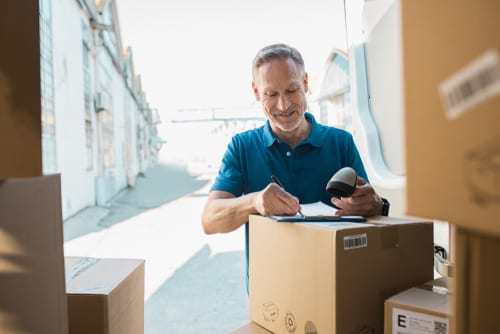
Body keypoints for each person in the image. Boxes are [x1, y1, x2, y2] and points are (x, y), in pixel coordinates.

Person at [201, 43, 389, 288]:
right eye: (271, 94)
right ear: (256, 92)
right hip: (271, 293)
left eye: (292, 90)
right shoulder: (242, 147)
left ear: (306, 83)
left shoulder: (341, 143)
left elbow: (371, 211)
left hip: (335, 285)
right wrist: (255, 202)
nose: (283, 105)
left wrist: (375, 204)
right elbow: (209, 220)